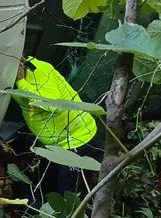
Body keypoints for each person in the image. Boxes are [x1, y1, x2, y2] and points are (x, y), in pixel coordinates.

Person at [14, 56, 99, 201]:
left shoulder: (38, 71)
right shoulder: (15, 74)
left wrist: (21, 82)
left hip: (76, 140)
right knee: (48, 188)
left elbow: (53, 106)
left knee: (68, 195)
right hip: (57, 144)